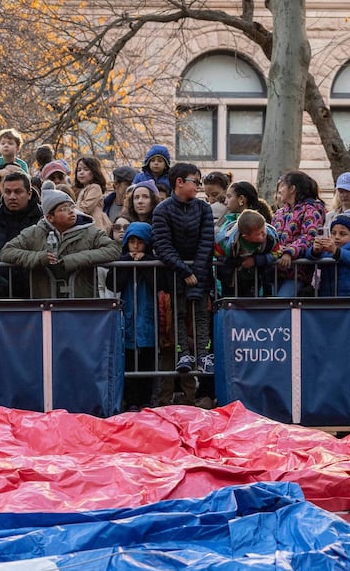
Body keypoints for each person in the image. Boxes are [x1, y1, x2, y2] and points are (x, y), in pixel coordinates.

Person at [153, 163, 216, 375]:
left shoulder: (204, 208)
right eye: (195, 182)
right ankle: (183, 354)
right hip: (174, 272)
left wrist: (196, 272)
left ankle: (204, 354)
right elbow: (162, 245)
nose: (199, 186)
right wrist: (184, 271)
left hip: (201, 271)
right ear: (179, 182)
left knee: (201, 314)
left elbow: (207, 242)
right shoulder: (162, 210)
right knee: (177, 314)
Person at [0, 189, 119, 297]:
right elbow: (7, 251)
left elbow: (114, 249)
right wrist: (39, 258)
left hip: (82, 305)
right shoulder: (34, 233)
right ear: (50, 217)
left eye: (71, 207)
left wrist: (75, 260)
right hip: (45, 305)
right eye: (64, 209)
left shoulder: (90, 231)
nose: (71, 212)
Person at [114, 221, 158, 409]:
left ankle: (146, 399)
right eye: (131, 242)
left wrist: (145, 263)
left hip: (148, 319)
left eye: (139, 242)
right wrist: (127, 263)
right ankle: (131, 400)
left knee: (147, 360)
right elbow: (114, 284)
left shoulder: (153, 263)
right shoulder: (122, 261)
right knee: (129, 361)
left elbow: (158, 283)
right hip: (129, 320)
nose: (135, 246)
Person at [270, 171, 327, 297]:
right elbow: (271, 237)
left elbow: (309, 236)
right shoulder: (279, 213)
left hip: (297, 273)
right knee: (272, 307)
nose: (279, 190)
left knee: (282, 304)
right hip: (275, 271)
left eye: (282, 186)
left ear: (292, 189)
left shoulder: (311, 209)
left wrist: (290, 251)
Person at [215, 207, 279, 299]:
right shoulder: (227, 242)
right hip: (233, 279)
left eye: (263, 229)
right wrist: (231, 261)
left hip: (259, 277)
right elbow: (216, 253)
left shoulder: (271, 238)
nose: (264, 233)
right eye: (258, 234)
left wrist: (257, 260)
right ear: (246, 236)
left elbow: (278, 252)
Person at [311, 213, 350, 296]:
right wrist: (315, 251)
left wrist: (336, 252)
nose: (337, 237)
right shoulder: (328, 248)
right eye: (333, 233)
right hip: (327, 298)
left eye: (343, 234)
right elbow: (308, 256)